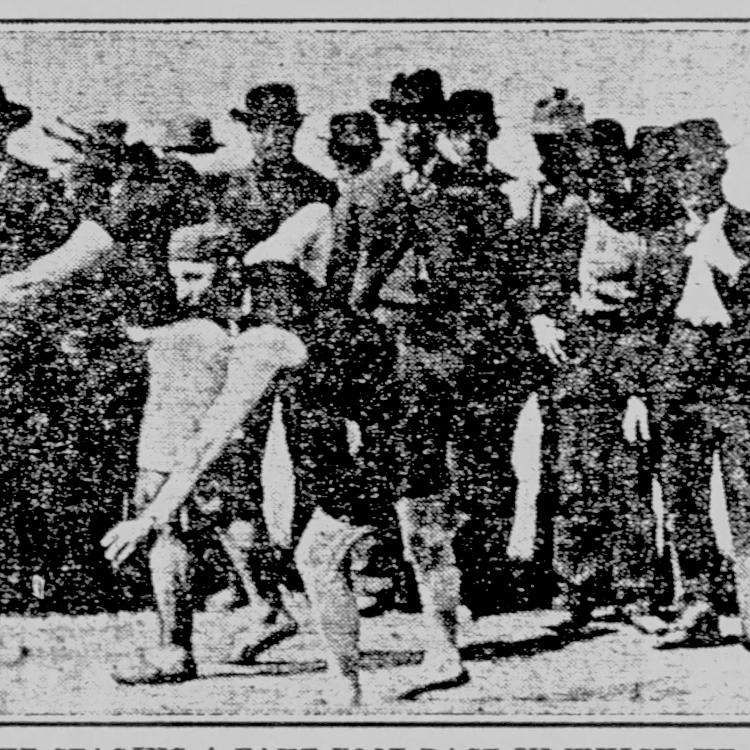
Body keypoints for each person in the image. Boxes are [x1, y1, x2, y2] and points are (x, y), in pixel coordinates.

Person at [103, 261, 384, 707]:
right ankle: (348, 686)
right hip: (395, 430)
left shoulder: (262, 340)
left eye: (199, 278)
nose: (187, 292)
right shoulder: (303, 318)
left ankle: (348, 690)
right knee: (338, 553)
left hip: (392, 440)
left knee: (323, 555)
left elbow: (213, 432)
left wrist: (152, 516)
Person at [527, 114, 661, 630]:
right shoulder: (569, 216)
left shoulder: (646, 226)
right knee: (574, 477)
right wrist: (541, 315)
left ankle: (636, 595)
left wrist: (635, 389)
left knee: (628, 479)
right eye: (588, 170)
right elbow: (539, 271)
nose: (599, 179)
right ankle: (575, 590)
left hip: (626, 355)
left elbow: (651, 311)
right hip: (576, 359)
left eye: (608, 167)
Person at [633, 119, 750, 648]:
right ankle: (698, 604)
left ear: (720, 168)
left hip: (737, 387)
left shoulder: (747, 231)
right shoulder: (658, 242)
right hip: (675, 386)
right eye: (681, 166)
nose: (693, 177)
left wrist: (727, 258)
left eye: (703, 164)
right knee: (683, 497)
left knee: (746, 496)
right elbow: (644, 322)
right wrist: (639, 391)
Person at [0, 85, 77, 628]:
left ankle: (29, 572)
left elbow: (64, 263)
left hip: (17, 336)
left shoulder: (34, 188)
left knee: (24, 456)